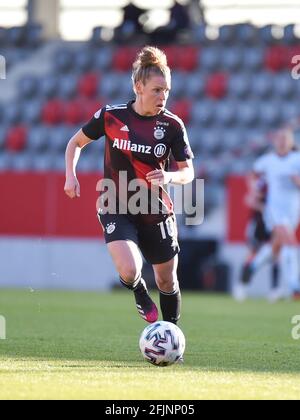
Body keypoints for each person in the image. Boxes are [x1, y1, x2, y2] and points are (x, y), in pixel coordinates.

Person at [64, 46, 195, 325]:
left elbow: (188, 173)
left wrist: (169, 177)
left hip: (154, 208)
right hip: (115, 203)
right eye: (157, 90)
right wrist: (70, 174)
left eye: (167, 91)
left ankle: (170, 335)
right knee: (129, 268)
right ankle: (138, 290)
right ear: (138, 86)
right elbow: (75, 143)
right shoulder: (111, 116)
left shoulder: (172, 126)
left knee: (167, 279)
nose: (163, 97)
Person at [235, 128, 300, 301]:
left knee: (275, 248)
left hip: (293, 211)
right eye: (280, 139)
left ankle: (250, 270)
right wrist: (253, 191)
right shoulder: (267, 161)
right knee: (290, 243)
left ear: (292, 142)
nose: (283, 142)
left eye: (286, 139)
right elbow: (253, 175)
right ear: (275, 142)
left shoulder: (297, 160)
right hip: (273, 211)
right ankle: (295, 287)